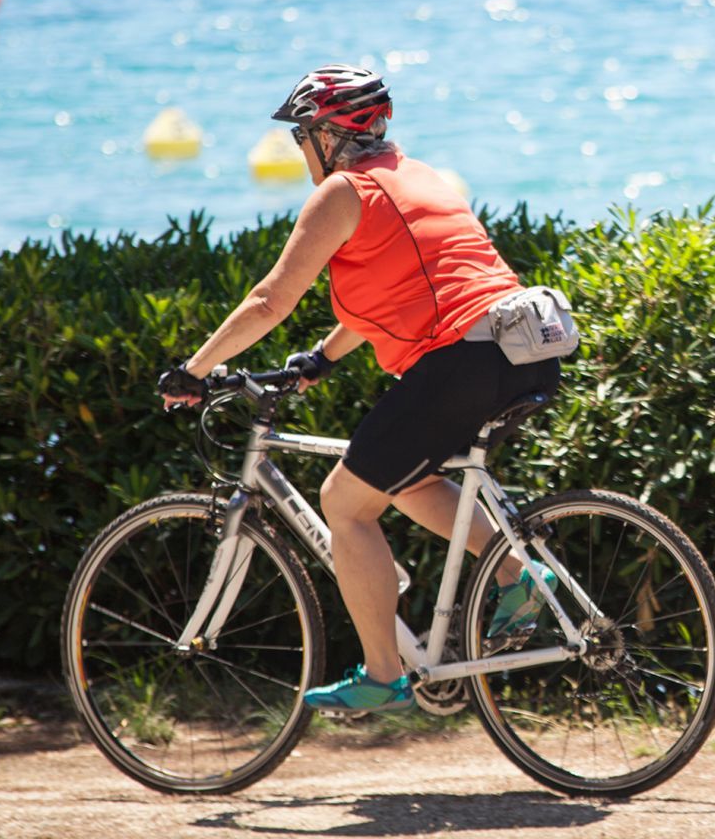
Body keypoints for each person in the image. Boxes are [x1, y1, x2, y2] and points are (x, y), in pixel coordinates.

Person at [158, 63, 561, 714]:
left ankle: (382, 675)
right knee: (406, 479)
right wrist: (321, 358)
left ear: (327, 134)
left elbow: (269, 300)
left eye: (302, 136)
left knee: (344, 501)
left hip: (463, 360)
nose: (300, 151)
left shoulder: (344, 191)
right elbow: (402, 286)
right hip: (525, 349)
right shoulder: (417, 175)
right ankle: (521, 573)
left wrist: (195, 370)